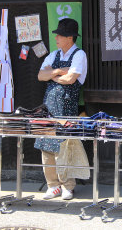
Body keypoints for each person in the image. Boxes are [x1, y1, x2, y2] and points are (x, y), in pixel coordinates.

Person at [34, 18, 87, 200]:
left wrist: (53, 75)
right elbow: (41, 75)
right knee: (46, 146)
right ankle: (53, 185)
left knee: (65, 147)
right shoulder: (53, 55)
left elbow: (71, 79)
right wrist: (58, 72)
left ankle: (68, 186)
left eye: (60, 35)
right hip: (49, 105)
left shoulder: (79, 55)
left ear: (70, 38)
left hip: (67, 106)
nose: (56, 37)